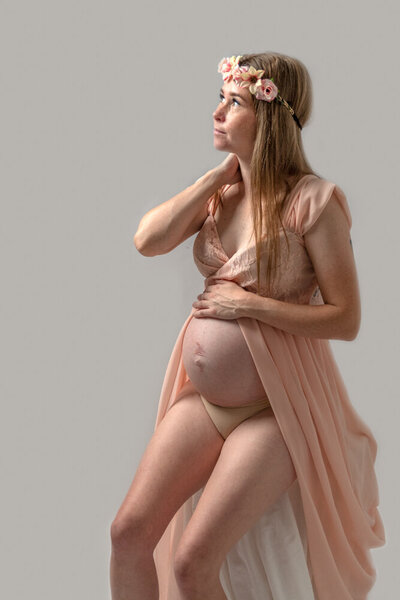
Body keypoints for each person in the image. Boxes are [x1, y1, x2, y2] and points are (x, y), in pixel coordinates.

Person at [109, 52, 385, 600]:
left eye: (233, 103)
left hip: (276, 408)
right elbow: (147, 241)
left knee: (193, 564)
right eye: (221, 98)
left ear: (269, 116)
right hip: (204, 402)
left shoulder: (314, 201)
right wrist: (218, 175)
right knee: (127, 535)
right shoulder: (220, 194)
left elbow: (346, 319)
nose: (217, 112)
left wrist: (251, 308)